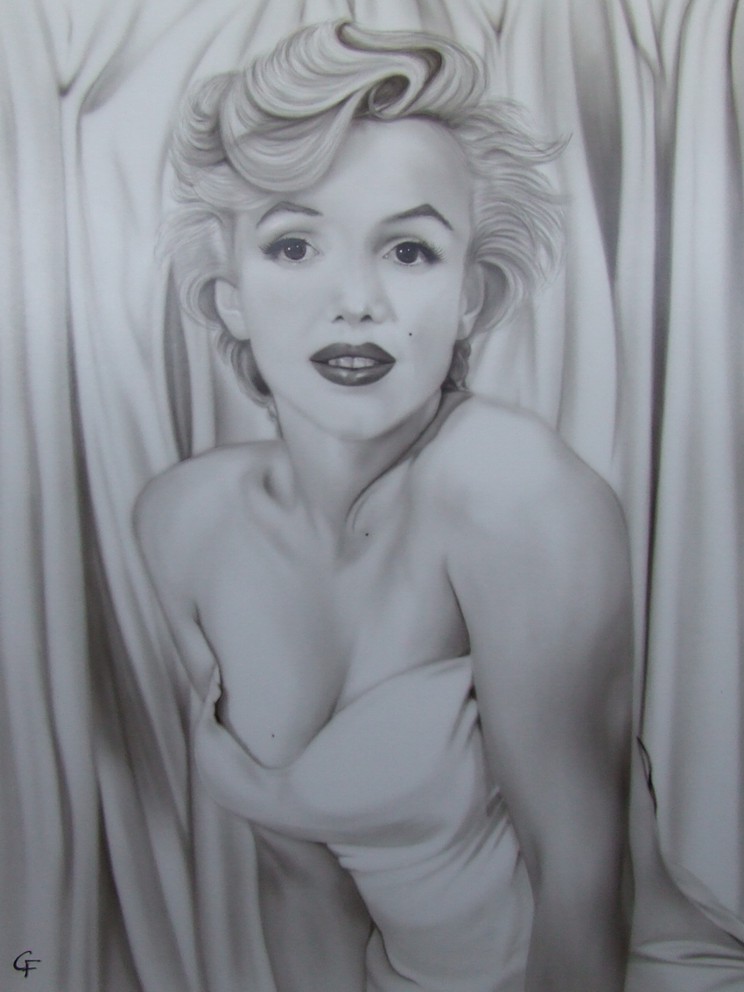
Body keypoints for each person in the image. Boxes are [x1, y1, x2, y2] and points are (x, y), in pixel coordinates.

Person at [134, 19, 743, 992]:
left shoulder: (512, 493)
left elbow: (582, 884)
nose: (356, 301)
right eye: (294, 244)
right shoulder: (185, 522)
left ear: (470, 295)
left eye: (410, 251)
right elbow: (300, 886)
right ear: (230, 291)